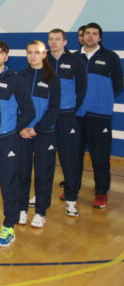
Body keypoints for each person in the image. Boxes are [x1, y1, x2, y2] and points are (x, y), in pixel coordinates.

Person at [0, 41, 35, 247]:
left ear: (6, 57)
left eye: (0, 52)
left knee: (9, 185)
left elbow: (29, 111)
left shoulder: (15, 79)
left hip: (6, 141)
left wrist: (14, 128)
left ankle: (9, 227)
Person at [76, 22, 123, 209]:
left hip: (100, 116)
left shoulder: (110, 57)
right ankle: (72, 189)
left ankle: (101, 193)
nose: (90, 36)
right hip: (77, 115)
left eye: (94, 34)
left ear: (100, 37)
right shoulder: (74, 57)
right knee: (74, 156)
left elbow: (118, 84)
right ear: (82, 36)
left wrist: (101, 98)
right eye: (87, 33)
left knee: (100, 157)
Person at [17, 40, 60, 228]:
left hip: (44, 134)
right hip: (22, 134)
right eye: (29, 52)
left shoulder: (53, 78)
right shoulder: (20, 77)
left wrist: (37, 129)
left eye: (37, 52)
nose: (33, 56)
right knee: (22, 173)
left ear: (44, 54)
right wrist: (20, 128)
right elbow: (14, 106)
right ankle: (22, 209)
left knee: (43, 174)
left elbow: (54, 109)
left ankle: (41, 211)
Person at [46, 29, 87, 216]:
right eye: (51, 39)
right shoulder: (42, 60)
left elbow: (81, 89)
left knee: (69, 160)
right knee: (44, 159)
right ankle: (42, 196)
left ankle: (71, 199)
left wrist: (70, 109)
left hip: (67, 117)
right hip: (46, 117)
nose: (53, 42)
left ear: (65, 42)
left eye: (57, 39)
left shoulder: (75, 61)